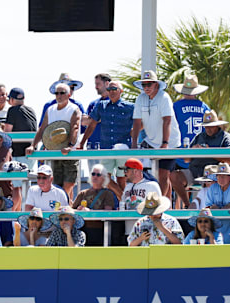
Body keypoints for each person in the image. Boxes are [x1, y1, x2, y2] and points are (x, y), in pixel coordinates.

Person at [80, 80, 135, 197]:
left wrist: (133, 139)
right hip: (106, 147)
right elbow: (92, 124)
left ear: (121, 91)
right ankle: (124, 200)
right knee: (105, 178)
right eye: (109, 89)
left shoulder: (130, 107)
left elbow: (140, 124)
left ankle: (122, 206)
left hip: (123, 147)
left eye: (114, 89)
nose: (111, 92)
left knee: (122, 179)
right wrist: (82, 143)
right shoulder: (101, 105)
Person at [28, 83, 82, 199]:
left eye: (62, 93)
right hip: (55, 151)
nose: (59, 95)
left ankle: (66, 209)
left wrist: (70, 146)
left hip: (70, 153)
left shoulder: (74, 109)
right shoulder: (50, 110)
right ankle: (64, 209)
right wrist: (33, 145)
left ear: (68, 95)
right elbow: (42, 128)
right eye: (56, 93)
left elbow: (75, 128)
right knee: (57, 186)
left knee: (68, 184)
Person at [131, 70, 179, 199]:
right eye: (144, 85)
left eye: (149, 84)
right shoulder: (140, 99)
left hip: (170, 142)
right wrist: (134, 144)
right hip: (150, 142)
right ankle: (166, 205)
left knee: (163, 174)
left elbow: (167, 120)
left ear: (156, 84)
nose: (146, 87)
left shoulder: (164, 97)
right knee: (154, 175)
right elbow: (136, 122)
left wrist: (165, 143)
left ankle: (158, 205)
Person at [168, 74, 210, 208]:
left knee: (174, 180)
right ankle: (198, 207)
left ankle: (185, 206)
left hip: (180, 154)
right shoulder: (204, 108)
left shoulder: (175, 107)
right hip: (200, 156)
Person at [3, 87, 36, 210]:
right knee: (26, 186)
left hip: (19, 153)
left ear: (11, 99)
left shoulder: (12, 110)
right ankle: (24, 214)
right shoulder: (31, 110)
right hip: (32, 154)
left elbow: (7, 133)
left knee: (17, 187)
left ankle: (15, 216)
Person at [118, 158, 162, 244]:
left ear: (135, 171)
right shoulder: (128, 187)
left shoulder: (151, 185)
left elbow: (157, 209)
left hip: (147, 231)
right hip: (129, 231)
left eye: (126, 170)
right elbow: (122, 206)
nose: (124, 173)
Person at [72, 163, 118, 246]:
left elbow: (108, 212)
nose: (95, 176)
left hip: (100, 231)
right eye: (93, 174)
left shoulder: (108, 194)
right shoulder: (83, 193)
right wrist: (78, 210)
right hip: (82, 230)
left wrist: (90, 212)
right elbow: (72, 211)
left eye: (98, 174)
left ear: (104, 178)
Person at [203, 163, 230, 243]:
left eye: (224, 176)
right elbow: (208, 207)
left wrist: (217, 208)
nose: (221, 178)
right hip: (215, 223)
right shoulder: (212, 188)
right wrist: (228, 207)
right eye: (219, 176)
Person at [188, 110, 230, 181]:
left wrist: (209, 152)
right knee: (175, 176)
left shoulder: (226, 137)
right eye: (206, 126)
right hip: (195, 172)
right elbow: (186, 159)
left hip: (216, 174)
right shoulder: (199, 137)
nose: (208, 129)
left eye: (211, 126)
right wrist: (193, 150)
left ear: (216, 125)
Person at [82, 73, 112, 150]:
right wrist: (98, 118)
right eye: (95, 84)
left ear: (107, 84)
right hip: (92, 147)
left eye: (98, 84)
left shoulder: (114, 102)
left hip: (109, 147)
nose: (96, 87)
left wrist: (92, 118)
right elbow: (83, 121)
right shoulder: (93, 103)